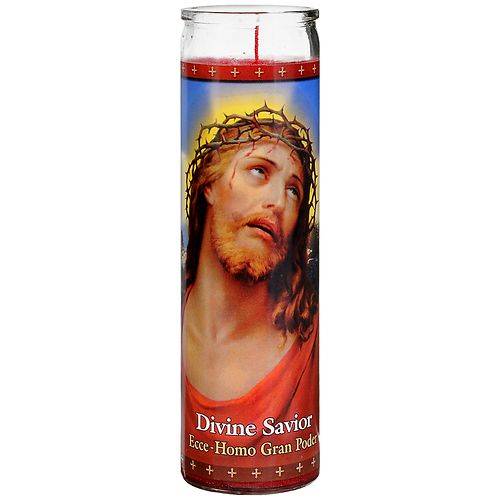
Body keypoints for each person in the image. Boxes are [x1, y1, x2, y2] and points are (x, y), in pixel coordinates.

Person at [182, 106, 319, 470]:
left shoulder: (312, 336)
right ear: (209, 185)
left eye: (293, 190)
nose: (278, 202)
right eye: (259, 171)